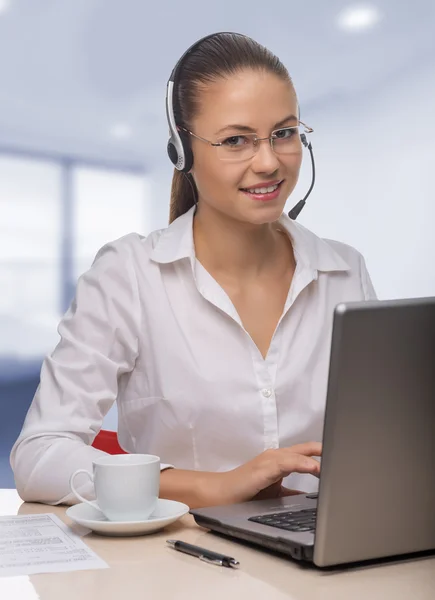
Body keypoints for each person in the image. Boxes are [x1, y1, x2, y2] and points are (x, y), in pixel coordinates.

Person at [10, 32, 376, 509]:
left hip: (322, 562)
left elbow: (381, 437)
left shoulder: (344, 271)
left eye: (283, 133)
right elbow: (39, 457)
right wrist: (213, 487)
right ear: (182, 152)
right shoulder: (130, 275)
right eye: (235, 140)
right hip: (179, 566)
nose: (268, 162)